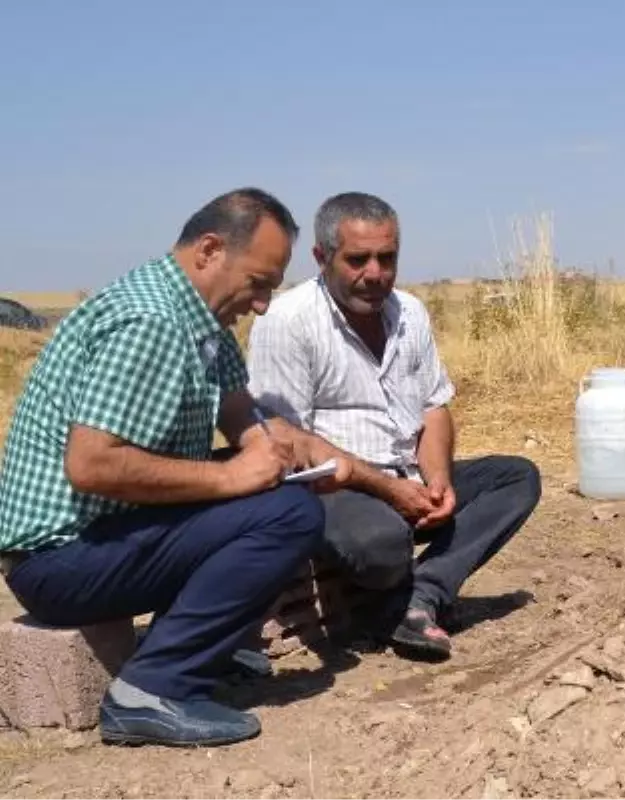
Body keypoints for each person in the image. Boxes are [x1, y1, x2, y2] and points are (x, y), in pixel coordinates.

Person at [0, 188, 359, 748]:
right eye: (259, 282)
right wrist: (234, 477)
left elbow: (240, 413)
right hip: (59, 559)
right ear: (209, 250)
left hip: (109, 530)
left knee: (280, 493)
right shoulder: (151, 321)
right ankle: (151, 689)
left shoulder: (203, 323)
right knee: (284, 516)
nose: (263, 303)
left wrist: (289, 452)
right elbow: (92, 464)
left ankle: (206, 646)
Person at [246, 191, 541, 661]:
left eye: (387, 258)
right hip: (337, 490)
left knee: (517, 478)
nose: (375, 273)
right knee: (383, 540)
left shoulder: (409, 313)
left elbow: (433, 409)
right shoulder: (289, 322)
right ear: (322, 258)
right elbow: (288, 443)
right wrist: (386, 489)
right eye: (358, 259)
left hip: (408, 477)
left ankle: (420, 596)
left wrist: (438, 480)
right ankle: (393, 598)